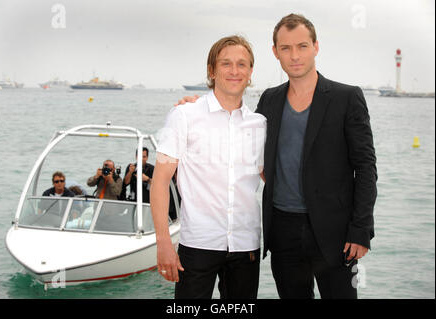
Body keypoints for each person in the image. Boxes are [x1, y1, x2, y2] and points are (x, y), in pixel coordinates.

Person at [176, 14, 377, 299]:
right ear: (275, 52)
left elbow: (366, 167)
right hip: (283, 231)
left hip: (336, 233)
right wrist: (195, 105)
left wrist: (361, 229)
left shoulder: (346, 97)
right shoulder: (269, 100)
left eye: (302, 46)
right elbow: (241, 131)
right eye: (286, 48)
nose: (294, 56)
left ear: (316, 47)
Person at [151, 35, 267, 299]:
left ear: (250, 72)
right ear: (212, 70)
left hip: (246, 245)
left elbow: (270, 177)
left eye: (242, 64)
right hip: (197, 243)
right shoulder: (184, 116)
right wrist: (164, 244)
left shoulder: (259, 124)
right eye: (226, 63)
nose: (234, 71)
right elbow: (160, 181)